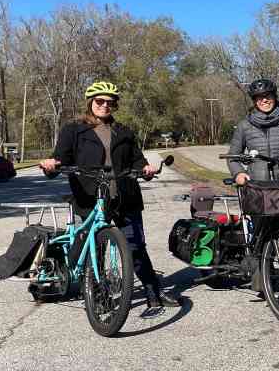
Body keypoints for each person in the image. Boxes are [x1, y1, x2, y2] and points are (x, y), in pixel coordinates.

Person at [38, 81, 180, 308]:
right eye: (99, 101)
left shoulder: (123, 131)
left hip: (125, 198)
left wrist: (146, 169)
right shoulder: (73, 130)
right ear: (90, 103)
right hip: (89, 198)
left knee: (134, 247)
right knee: (96, 251)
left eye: (110, 102)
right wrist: (51, 164)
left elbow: (137, 160)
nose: (105, 106)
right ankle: (99, 297)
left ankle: (154, 293)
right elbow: (60, 158)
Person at [227, 78, 279, 185]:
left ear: (274, 97)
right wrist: (238, 173)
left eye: (268, 96)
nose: (264, 100)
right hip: (257, 184)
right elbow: (232, 156)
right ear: (254, 101)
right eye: (259, 97)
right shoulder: (244, 125)